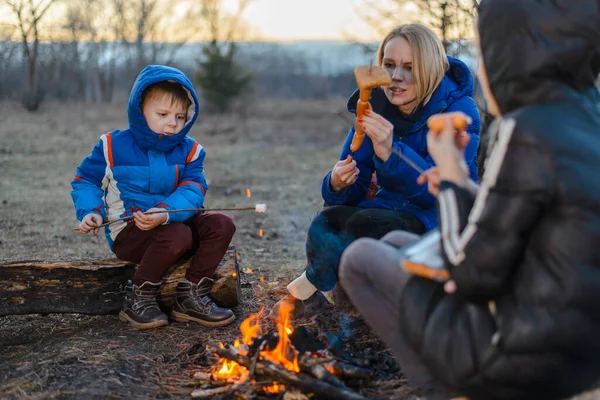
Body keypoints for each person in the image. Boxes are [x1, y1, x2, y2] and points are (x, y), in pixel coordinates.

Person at [339, 0, 600, 399]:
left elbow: (473, 274)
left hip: (521, 355)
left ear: (511, 55)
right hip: (578, 348)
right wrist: (459, 182)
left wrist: (449, 180)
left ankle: (439, 389)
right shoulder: (583, 116)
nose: (482, 70)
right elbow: (537, 218)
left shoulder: (526, 129)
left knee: (358, 259)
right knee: (393, 244)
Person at [286, 23, 481, 312]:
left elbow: (439, 193)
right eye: (389, 65)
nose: (395, 78)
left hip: (436, 221)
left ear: (429, 68)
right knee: (326, 220)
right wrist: (337, 183)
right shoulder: (373, 107)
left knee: (367, 226)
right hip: (384, 211)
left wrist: (391, 153)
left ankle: (316, 286)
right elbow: (351, 190)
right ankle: (322, 292)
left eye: (409, 67)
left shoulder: (459, 111)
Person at [71, 65, 236, 330]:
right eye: (163, 114)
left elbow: (193, 190)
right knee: (178, 234)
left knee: (221, 224)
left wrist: (165, 212)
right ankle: (139, 297)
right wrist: (91, 211)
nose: (173, 122)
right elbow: (86, 180)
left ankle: (191, 295)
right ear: (139, 111)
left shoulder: (191, 150)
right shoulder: (112, 146)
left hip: (174, 221)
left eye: (181, 117)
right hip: (131, 232)